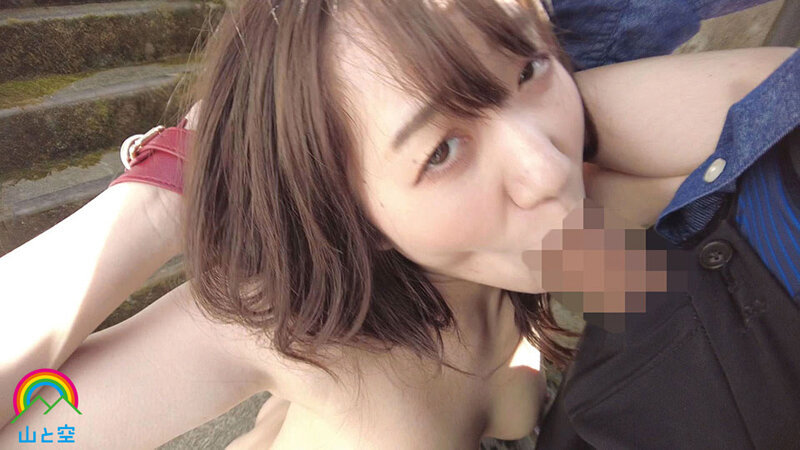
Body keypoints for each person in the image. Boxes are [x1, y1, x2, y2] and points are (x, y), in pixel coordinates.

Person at [0, 0, 795, 448]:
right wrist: (168, 188)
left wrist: (503, 87)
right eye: (440, 149)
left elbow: (775, 111)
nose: (547, 167)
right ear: (344, 204)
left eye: (529, 67)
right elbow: (32, 433)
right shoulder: (278, 326)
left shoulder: (552, 233)